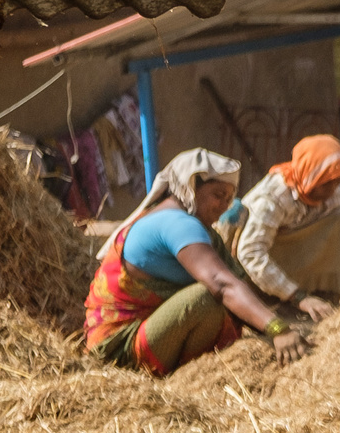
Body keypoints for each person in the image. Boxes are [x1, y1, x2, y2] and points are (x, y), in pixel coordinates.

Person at [83, 147, 309, 375]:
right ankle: (183, 376)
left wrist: (281, 318)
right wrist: (278, 329)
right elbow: (222, 284)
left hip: (152, 333)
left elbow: (240, 285)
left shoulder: (202, 231)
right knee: (205, 299)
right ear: (191, 188)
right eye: (217, 195)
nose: (223, 206)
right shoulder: (177, 224)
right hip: (120, 349)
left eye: (229, 198)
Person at [228, 133, 340, 319]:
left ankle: (328, 293)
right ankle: (278, 301)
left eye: (337, 182)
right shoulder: (273, 198)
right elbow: (250, 252)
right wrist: (298, 297)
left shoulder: (337, 197)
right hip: (258, 276)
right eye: (326, 184)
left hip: (296, 263)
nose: (332, 190)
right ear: (310, 175)